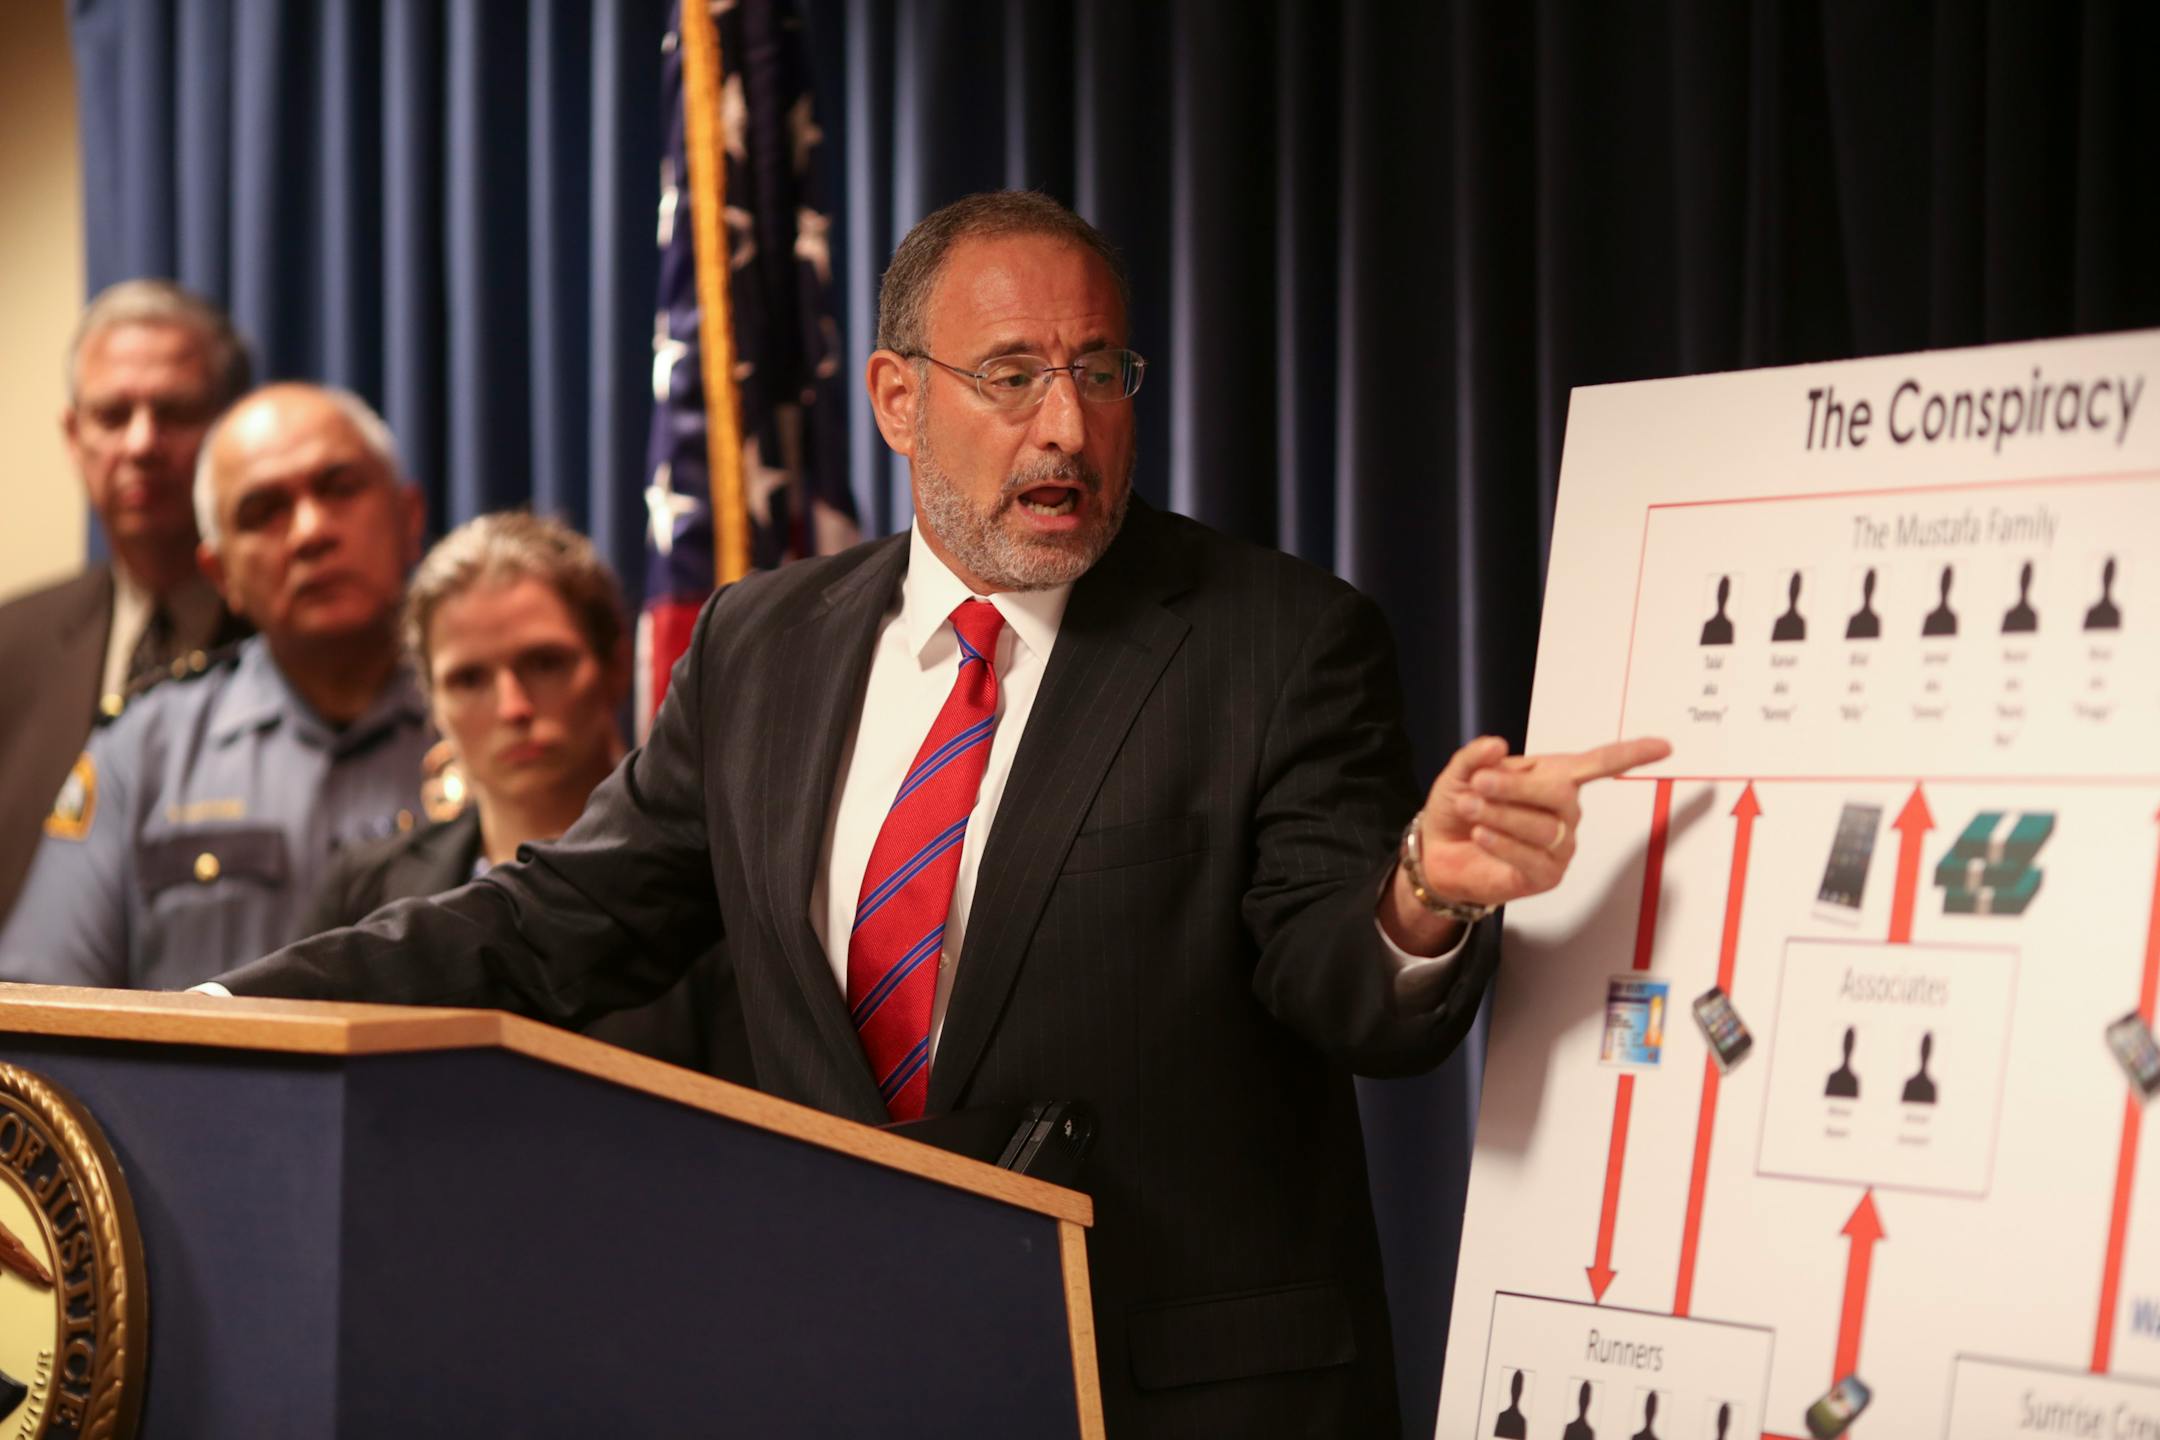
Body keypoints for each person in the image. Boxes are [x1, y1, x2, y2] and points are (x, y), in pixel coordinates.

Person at [212, 192, 1666, 1436]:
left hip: (1165, 1395)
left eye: (1101, 373)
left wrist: (1421, 892)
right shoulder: (761, 646)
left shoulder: (1274, 640)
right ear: (898, 398)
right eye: (1014, 375)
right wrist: (222, 1014)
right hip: (852, 1376)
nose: (1068, 427)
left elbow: (1340, 979)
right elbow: (553, 922)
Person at [0, 383, 433, 990]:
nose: (311, 532)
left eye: (339, 488)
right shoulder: (143, 750)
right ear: (221, 573)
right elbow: (43, 1002)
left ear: (409, 519)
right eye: (264, 512)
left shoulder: (508, 719)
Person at [299, 511, 741, 1074]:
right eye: (469, 679)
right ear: (431, 704)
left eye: (545, 663)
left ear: (613, 667)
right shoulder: (362, 892)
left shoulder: (714, 890)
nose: (513, 708)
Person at [0, 281, 253, 924]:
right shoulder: (13, 644)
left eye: (176, 412)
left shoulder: (296, 636)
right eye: (113, 416)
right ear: (73, 435)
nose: (142, 444)